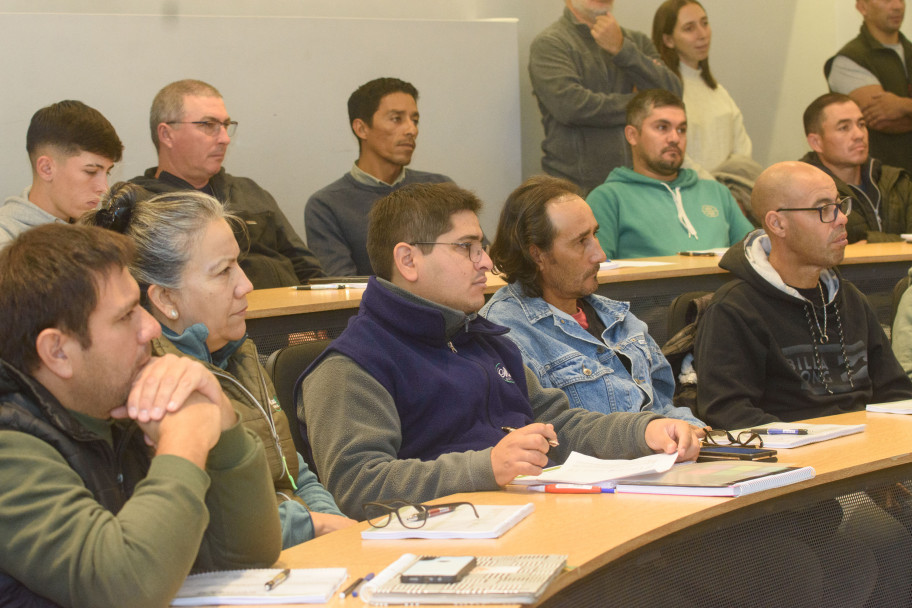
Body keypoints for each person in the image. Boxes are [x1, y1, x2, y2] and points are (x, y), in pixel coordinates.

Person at [298, 181, 701, 519]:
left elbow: (559, 425)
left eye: (482, 246)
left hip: (529, 519)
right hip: (440, 551)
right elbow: (357, 486)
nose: (486, 263)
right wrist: (486, 467)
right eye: (466, 247)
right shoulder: (351, 366)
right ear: (407, 260)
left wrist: (642, 430)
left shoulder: (485, 340)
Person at [0, 223, 281, 607]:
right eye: (125, 316)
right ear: (57, 352)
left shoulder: (125, 404)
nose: (151, 328)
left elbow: (246, 556)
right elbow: (125, 588)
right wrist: (184, 440)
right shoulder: (10, 450)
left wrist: (223, 425)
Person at [83, 184, 355, 549]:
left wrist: (334, 526)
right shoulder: (156, 382)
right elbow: (207, 518)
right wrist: (315, 527)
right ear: (165, 298)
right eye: (223, 271)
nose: (246, 285)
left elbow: (295, 473)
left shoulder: (241, 352)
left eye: (238, 264)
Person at [694, 161, 912, 430]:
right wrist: (816, 442)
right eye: (824, 209)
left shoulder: (851, 298)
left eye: (840, 205)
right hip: (795, 460)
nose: (842, 218)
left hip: (866, 451)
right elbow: (728, 413)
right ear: (778, 224)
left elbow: (896, 394)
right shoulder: (734, 309)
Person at [480, 175, 702, 426]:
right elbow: (553, 438)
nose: (600, 254)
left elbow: (663, 406)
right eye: (581, 242)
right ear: (537, 255)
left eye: (595, 235)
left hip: (665, 457)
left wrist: (697, 435)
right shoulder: (505, 334)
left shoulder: (617, 317)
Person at [130, 79, 324, 289]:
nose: (224, 138)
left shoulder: (250, 192)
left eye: (225, 125)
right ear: (167, 134)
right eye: (208, 125)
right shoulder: (143, 207)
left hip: (291, 315)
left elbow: (309, 272)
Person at [529, 0, 682, 195]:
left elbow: (673, 97)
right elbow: (572, 107)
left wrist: (621, 49)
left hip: (641, 187)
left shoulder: (636, 42)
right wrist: (640, 103)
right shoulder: (550, 44)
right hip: (577, 191)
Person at [305, 77, 452, 276]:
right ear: (362, 129)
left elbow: (478, 257)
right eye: (396, 119)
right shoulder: (327, 205)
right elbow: (344, 288)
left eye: (415, 120)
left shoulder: (439, 188)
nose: (412, 130)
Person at [586, 89, 753, 258]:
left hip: (722, 284)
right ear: (632, 135)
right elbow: (598, 272)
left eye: (681, 129)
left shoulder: (718, 193)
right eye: (662, 127)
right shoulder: (607, 199)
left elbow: (755, 257)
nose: (674, 138)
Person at [652, 0, 754, 179]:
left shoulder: (718, 92)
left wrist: (730, 187)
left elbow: (742, 153)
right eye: (689, 28)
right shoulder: (663, 92)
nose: (702, 34)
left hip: (727, 191)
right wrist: (711, 186)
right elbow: (673, 154)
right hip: (686, 190)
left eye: (704, 23)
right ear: (668, 40)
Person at [0, 100, 122, 246]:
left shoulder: (101, 229)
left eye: (107, 173)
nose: (104, 188)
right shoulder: (6, 244)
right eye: (90, 171)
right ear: (46, 168)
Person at [800, 92, 912, 243]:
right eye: (844, 128)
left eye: (861, 124)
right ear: (816, 142)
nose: (859, 134)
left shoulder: (898, 182)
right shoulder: (804, 192)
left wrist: (870, 241)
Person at [826, 0, 912, 173]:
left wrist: (902, 105)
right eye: (886, 0)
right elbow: (886, 122)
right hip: (883, 180)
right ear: (862, 7)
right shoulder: (850, 59)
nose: (897, 6)